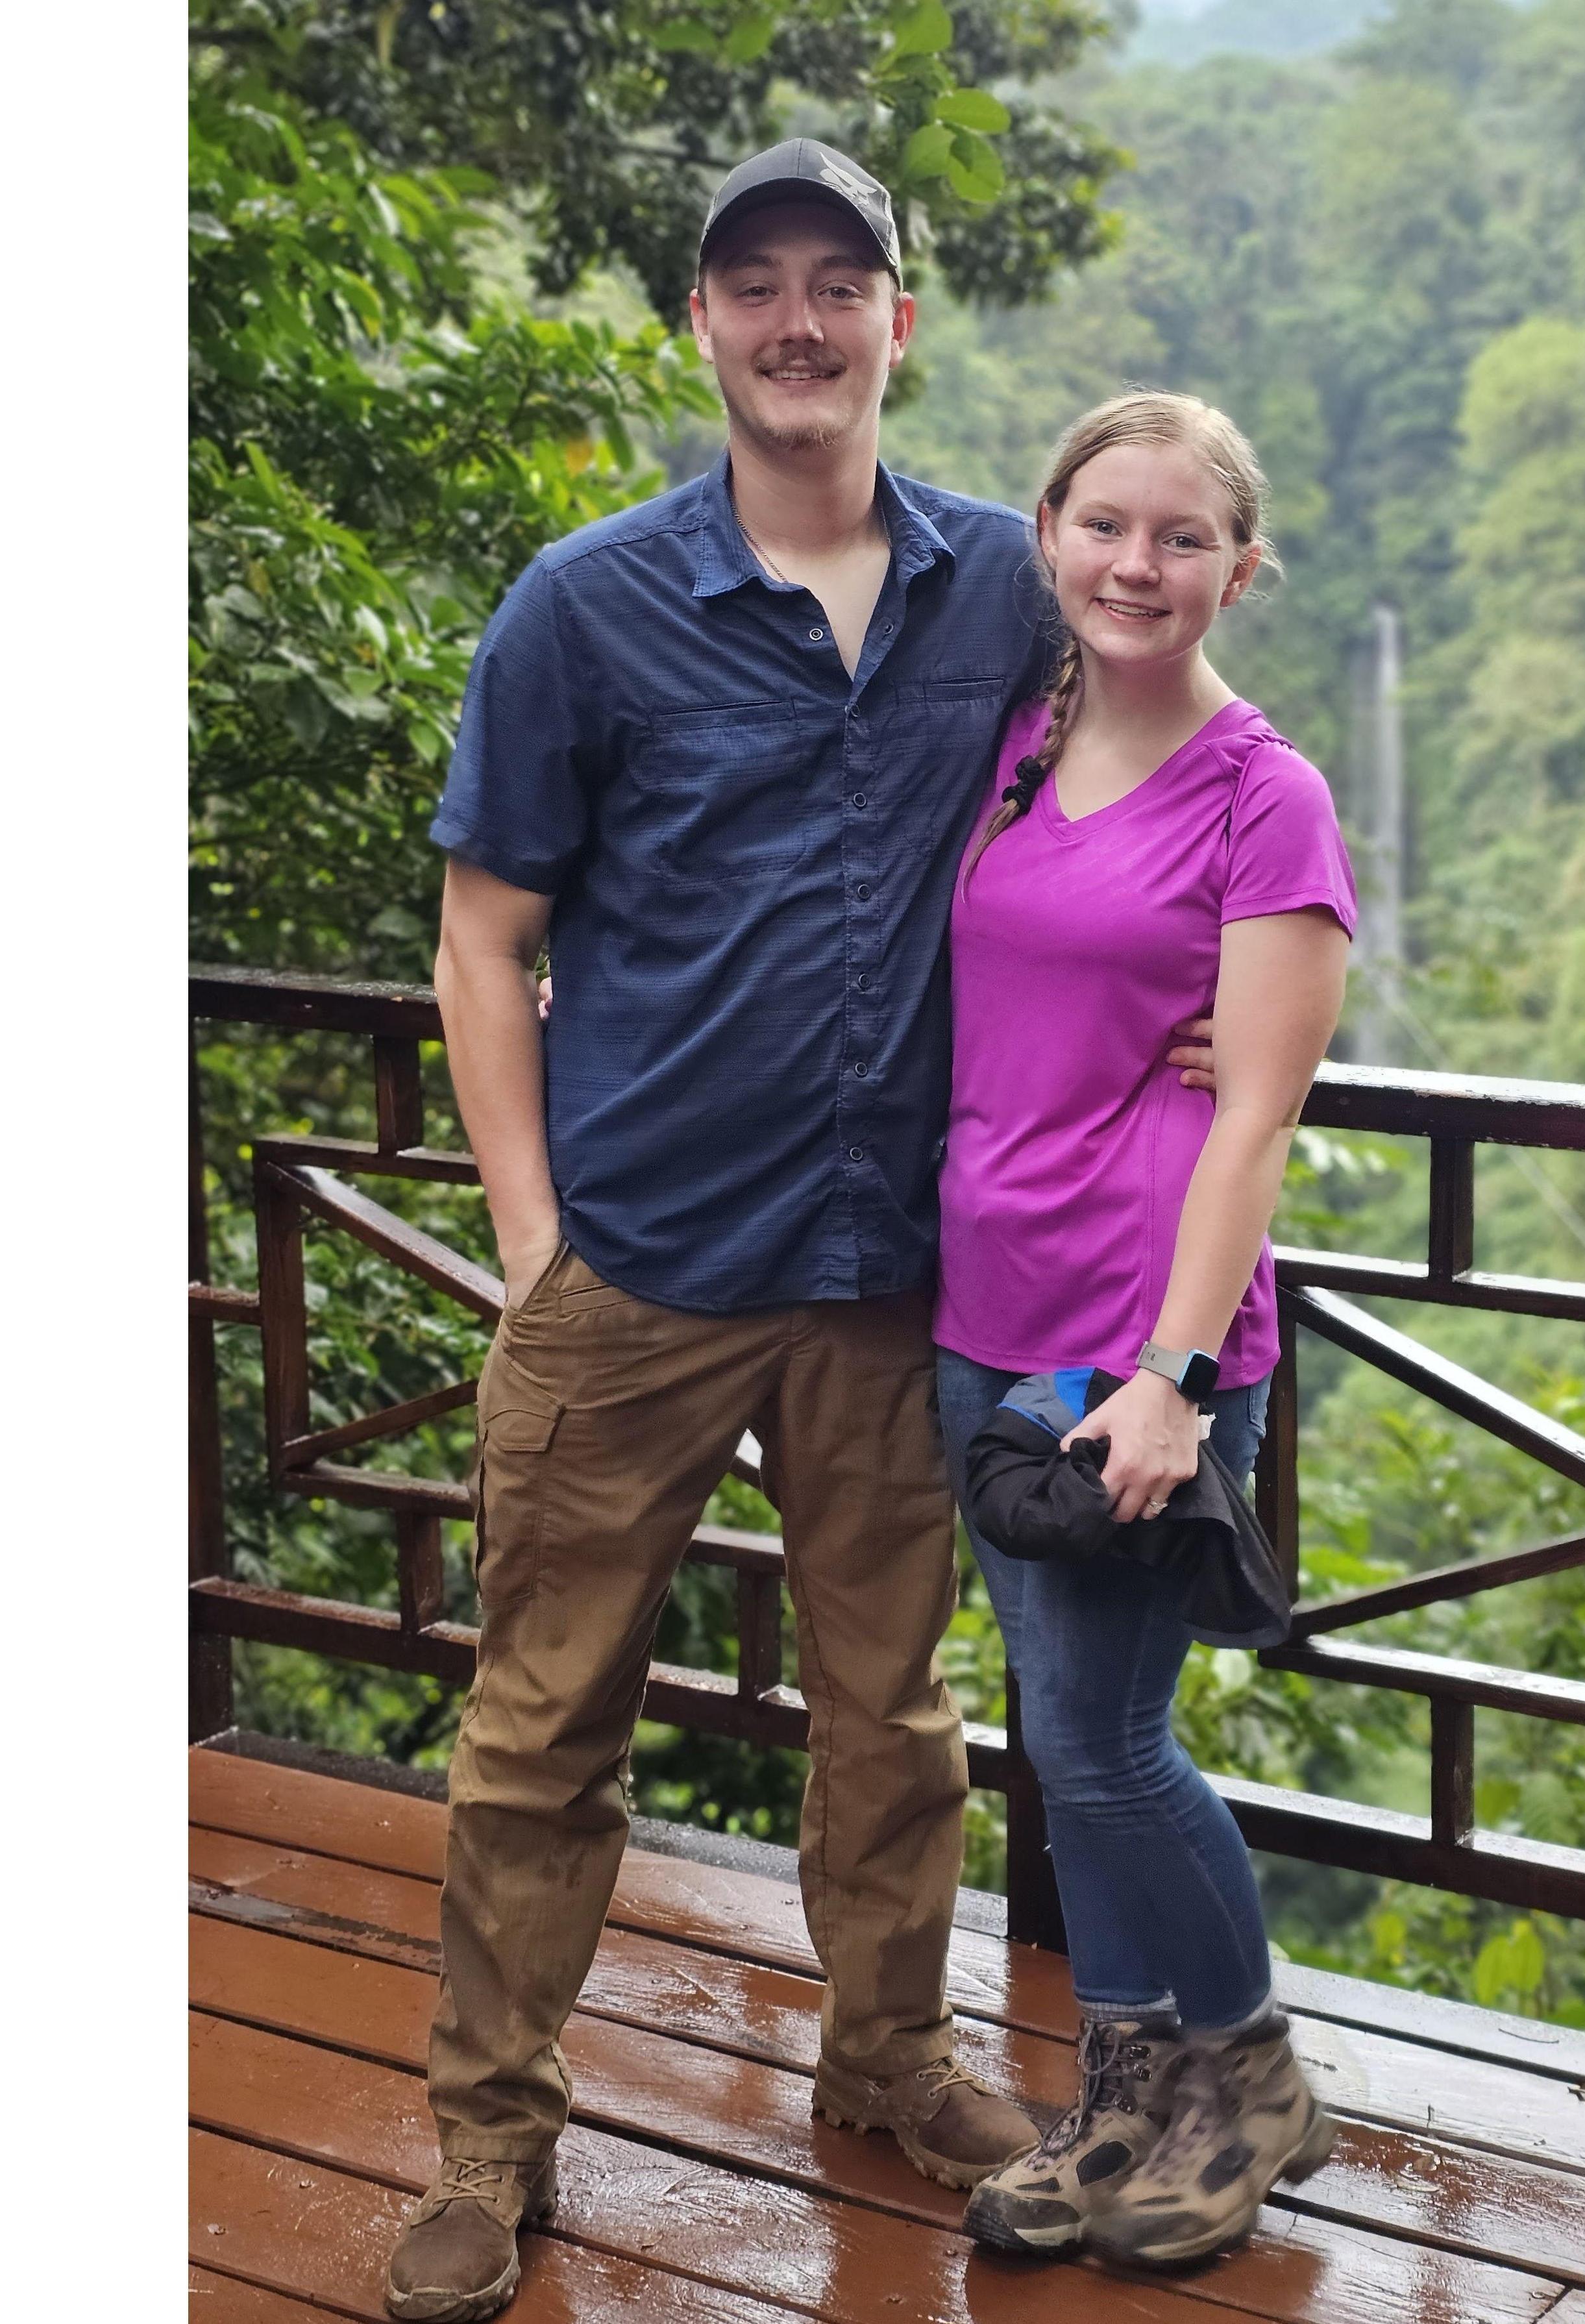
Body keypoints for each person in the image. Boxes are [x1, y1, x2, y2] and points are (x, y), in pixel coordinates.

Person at [387, 143, 1216, 2323]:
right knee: (541, 1720)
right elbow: (486, 943)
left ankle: (885, 2058)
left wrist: (1220, 986)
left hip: (894, 1277)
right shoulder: (585, 604)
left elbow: (1153, 784)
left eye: (835, 283)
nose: (795, 319)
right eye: (751, 283)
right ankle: (490, 2134)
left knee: (894, 1714)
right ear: (702, 327)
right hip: (638, 1269)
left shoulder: (999, 587)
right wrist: (535, 1237)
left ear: (897, 327)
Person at [933, 392, 1357, 2269]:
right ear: (1047, 533)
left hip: (1140, 1330)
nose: (1137, 564)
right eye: (1107, 524)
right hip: (982, 1310)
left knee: (1105, 1736)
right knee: (1055, 1723)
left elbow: (1259, 1106)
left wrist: (1178, 1379)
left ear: (1238, 570)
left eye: (1182, 539)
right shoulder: (1011, 747)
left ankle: (1243, 2074)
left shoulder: (1264, 791)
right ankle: (1121, 2096)